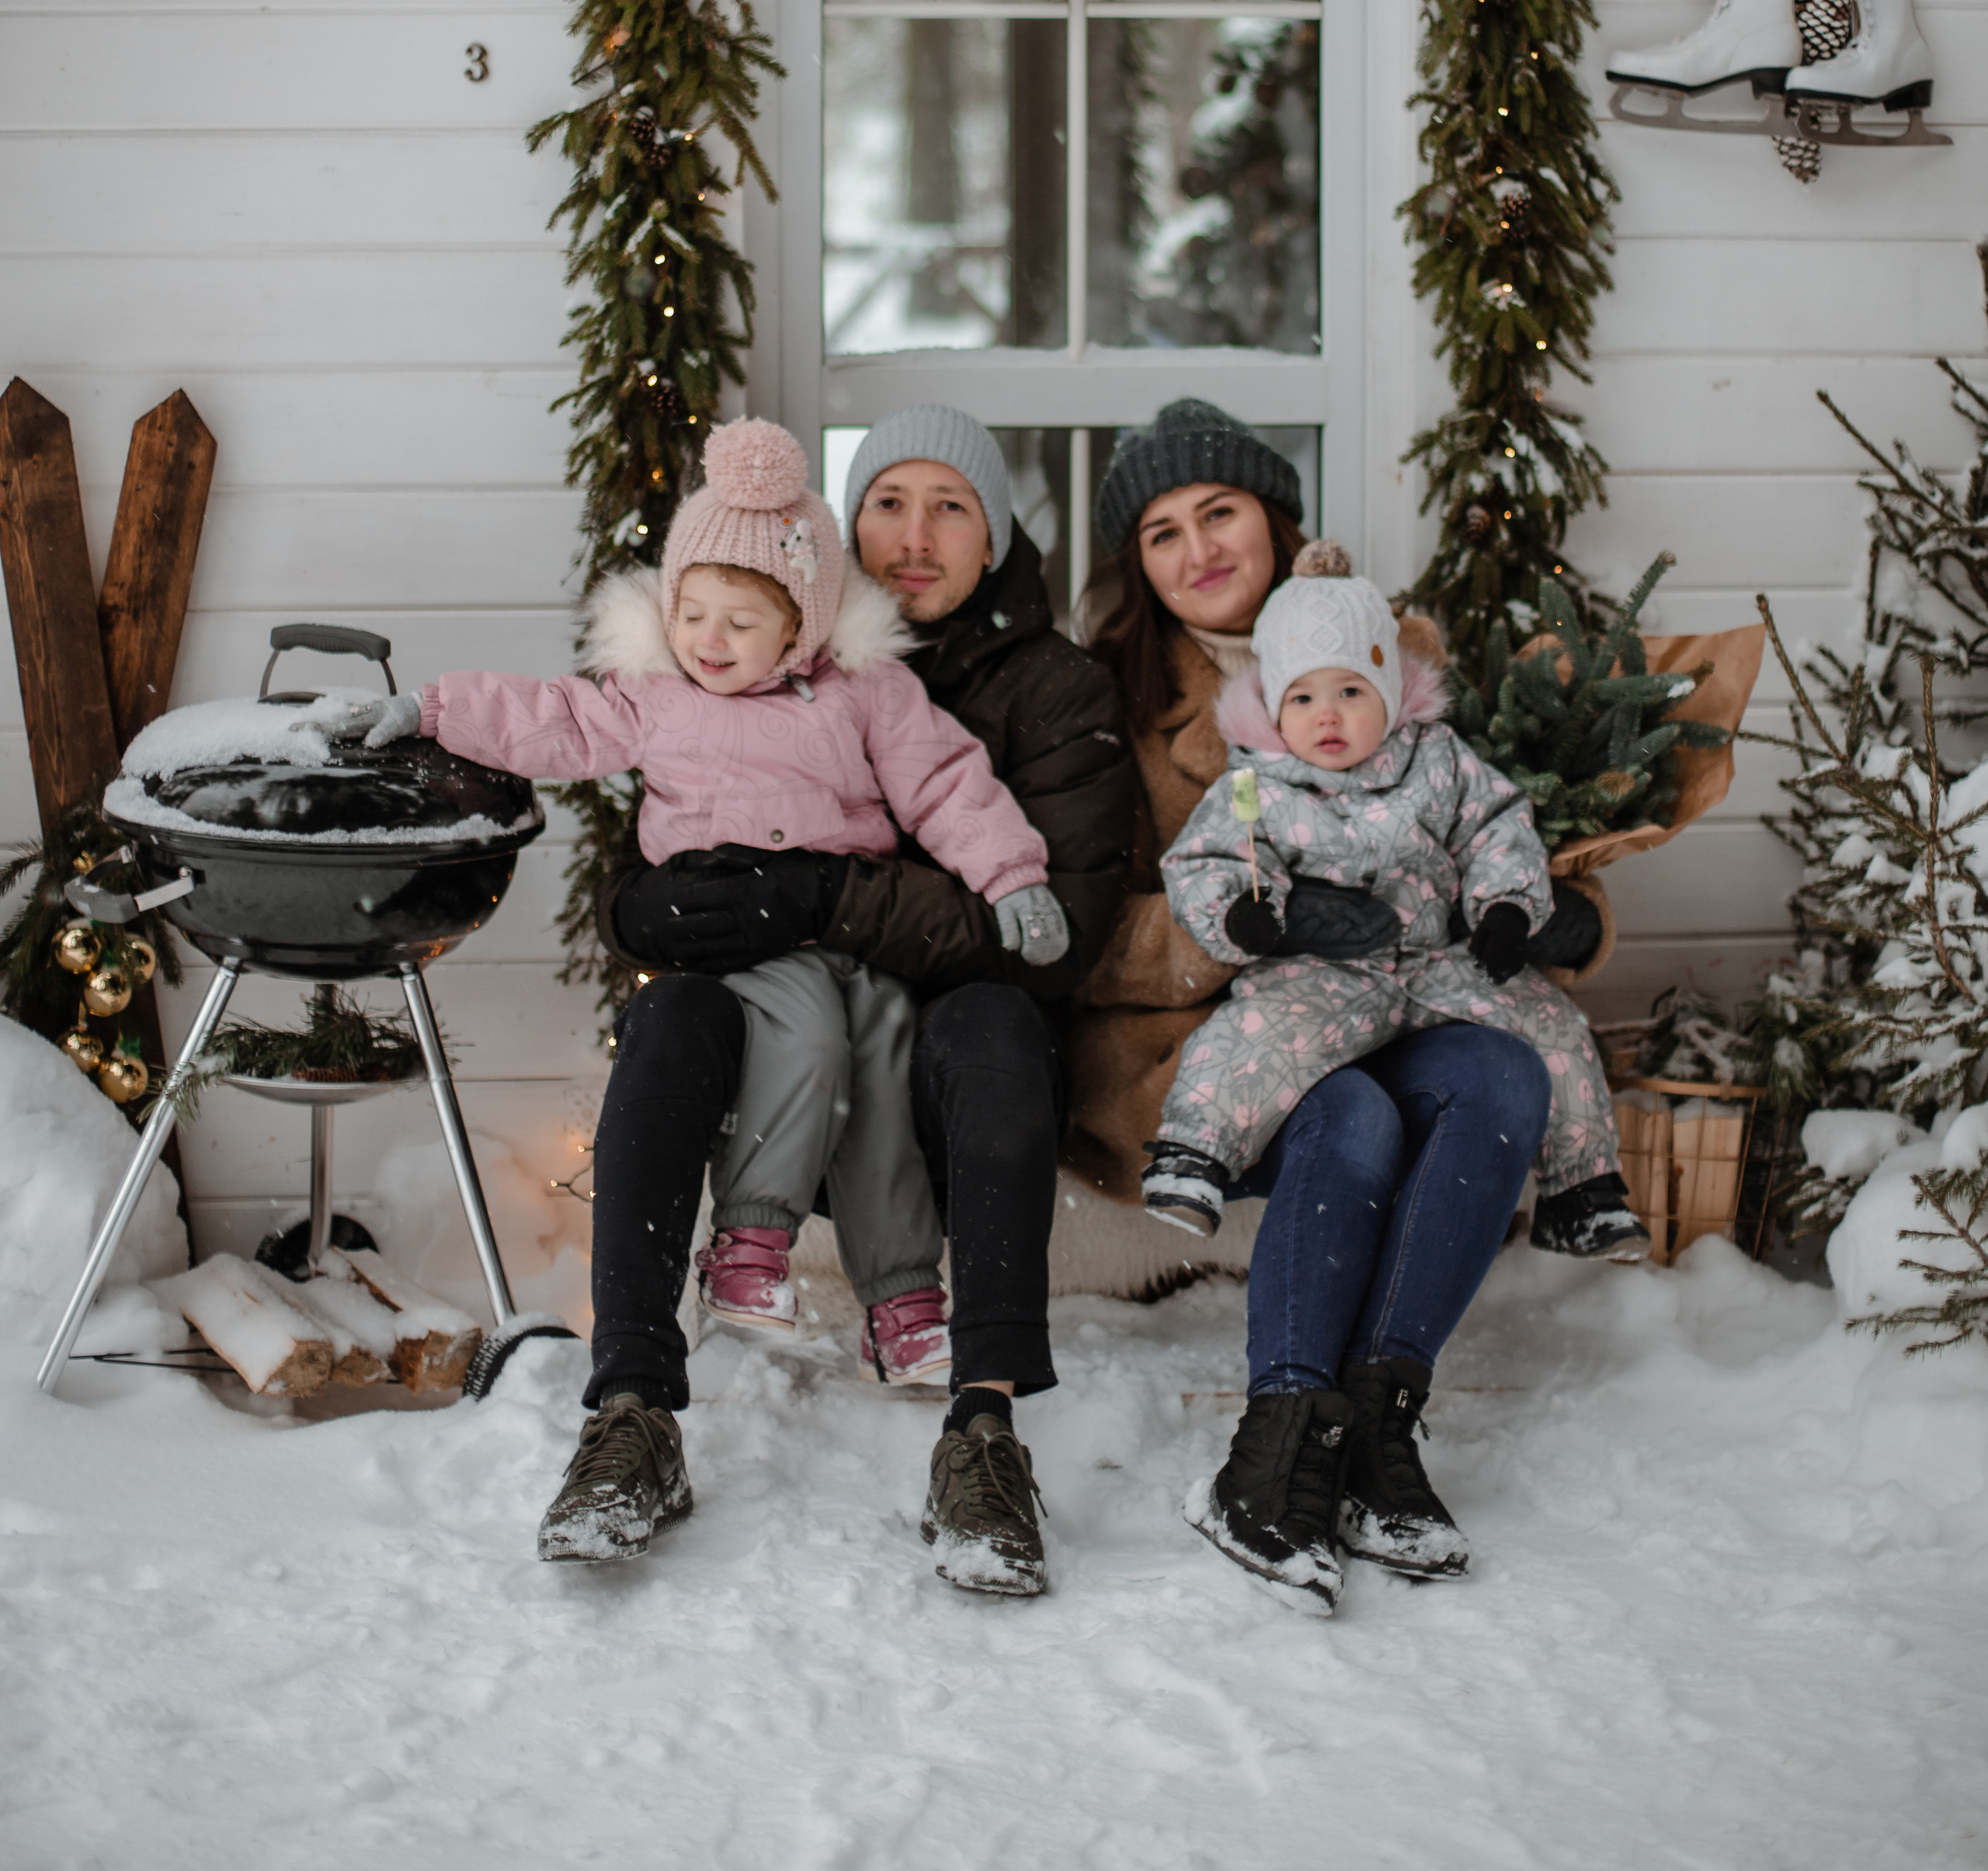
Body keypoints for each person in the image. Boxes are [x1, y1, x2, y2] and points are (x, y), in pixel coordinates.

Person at [397, 416, 1065, 1554]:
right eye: (691, 613)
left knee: (883, 1051)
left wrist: (1012, 877)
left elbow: (948, 780)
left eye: (741, 621)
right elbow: (556, 718)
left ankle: (906, 1297)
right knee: (804, 1033)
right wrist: (437, 709)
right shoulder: (654, 693)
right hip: (729, 946)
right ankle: (748, 1244)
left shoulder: (861, 693)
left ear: (800, 626)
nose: (709, 640)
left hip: (850, 933)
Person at [534, 407, 1133, 1595]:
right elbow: (669, 832)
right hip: (776, 1035)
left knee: (1000, 1028)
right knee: (666, 1019)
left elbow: (1055, 935)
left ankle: (985, 1431)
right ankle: (632, 1414)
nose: (916, 535)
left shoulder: (1055, 688)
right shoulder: (746, 639)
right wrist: (644, 914)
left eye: (951, 507)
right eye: (889, 503)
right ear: (841, 528)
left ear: (996, 534)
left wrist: (818, 898)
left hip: (948, 1043)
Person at [1070, 399, 1563, 1601]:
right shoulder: (1111, 704)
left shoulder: (1395, 660)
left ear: (1277, 521)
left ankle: (1379, 1430)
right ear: (1136, 568)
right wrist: (1253, 929)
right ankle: (1276, 1447)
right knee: (1347, 1114)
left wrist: (1561, 916)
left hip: (1404, 998)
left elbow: (1491, 832)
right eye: (1162, 532)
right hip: (1214, 1049)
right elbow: (1079, 936)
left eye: (1220, 512)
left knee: (1504, 1075)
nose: (1199, 550)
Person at [1138, 550, 1648, 1260]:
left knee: (1552, 1027)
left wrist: (1505, 909)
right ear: (1275, 708)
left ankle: (1581, 1193)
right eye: (1304, 698)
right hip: (1324, 972)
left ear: (1388, 689)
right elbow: (1207, 862)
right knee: (1249, 1037)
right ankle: (1193, 1157)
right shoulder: (1257, 785)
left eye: (1350, 691)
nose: (1328, 717)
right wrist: (1236, 915)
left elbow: (1498, 827)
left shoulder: (1437, 760)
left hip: (1442, 959)